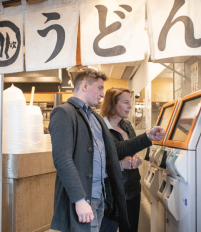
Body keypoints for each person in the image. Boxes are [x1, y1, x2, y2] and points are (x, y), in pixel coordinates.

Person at [49, 68, 164, 232]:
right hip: (83, 198)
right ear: (84, 85)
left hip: (100, 197)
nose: (103, 94)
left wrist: (148, 137)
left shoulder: (95, 118)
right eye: (100, 88)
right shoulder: (64, 113)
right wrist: (80, 200)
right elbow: (63, 160)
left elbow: (115, 150)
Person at [99, 87, 156, 232]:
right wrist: (147, 137)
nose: (130, 106)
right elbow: (117, 149)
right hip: (112, 193)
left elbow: (130, 148)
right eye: (125, 102)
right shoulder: (101, 128)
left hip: (133, 190)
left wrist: (135, 159)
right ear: (112, 104)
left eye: (129, 102)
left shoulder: (127, 125)